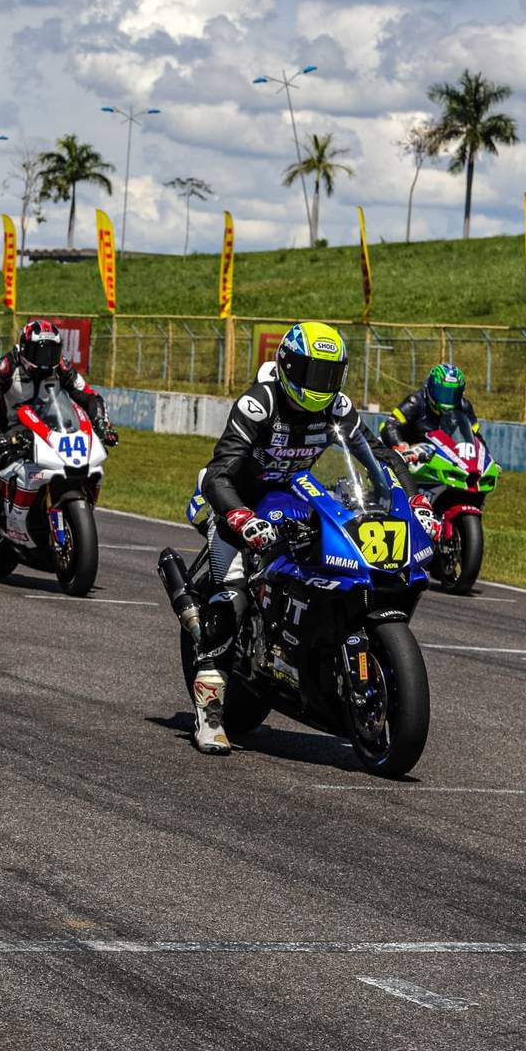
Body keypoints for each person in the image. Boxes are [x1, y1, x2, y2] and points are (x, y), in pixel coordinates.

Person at [186, 321, 427, 754]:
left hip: (297, 497)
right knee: (234, 592)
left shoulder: (337, 409)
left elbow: (380, 457)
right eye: (315, 374)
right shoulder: (260, 404)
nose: (323, 386)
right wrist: (240, 515)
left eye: (330, 376)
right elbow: (221, 470)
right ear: (288, 366)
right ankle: (210, 712)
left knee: (337, 560)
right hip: (241, 500)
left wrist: (414, 499)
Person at [0, 320, 118, 583]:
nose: (46, 359)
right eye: (40, 352)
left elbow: (88, 396)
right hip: (3, 431)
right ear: (25, 348)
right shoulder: (6, 366)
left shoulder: (61, 366)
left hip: (43, 431)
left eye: (51, 352)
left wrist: (101, 424)